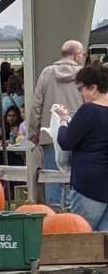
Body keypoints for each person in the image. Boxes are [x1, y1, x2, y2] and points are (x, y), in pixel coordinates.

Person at [55, 63, 108, 274]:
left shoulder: (88, 111)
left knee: (83, 238)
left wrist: (64, 122)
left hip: (88, 182)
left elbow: (66, 142)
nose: (81, 94)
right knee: (105, 242)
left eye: (82, 89)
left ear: (94, 87)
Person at [29, 40, 86, 206]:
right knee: (73, 181)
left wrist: (34, 133)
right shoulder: (84, 74)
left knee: (51, 182)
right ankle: (72, 219)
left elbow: (36, 105)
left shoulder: (47, 73)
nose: (83, 57)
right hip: (77, 136)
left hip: (50, 135)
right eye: (82, 54)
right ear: (76, 55)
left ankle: (54, 219)